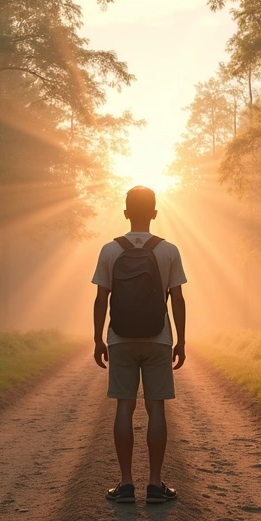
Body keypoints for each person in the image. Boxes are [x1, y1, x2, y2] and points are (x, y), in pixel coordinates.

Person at [92, 186, 187, 504]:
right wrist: (181, 340)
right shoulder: (168, 250)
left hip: (120, 338)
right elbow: (177, 299)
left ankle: (126, 484)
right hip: (158, 338)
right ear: (155, 213)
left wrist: (97, 339)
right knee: (155, 406)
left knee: (124, 406)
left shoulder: (109, 250)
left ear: (126, 213)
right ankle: (156, 484)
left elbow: (101, 298)